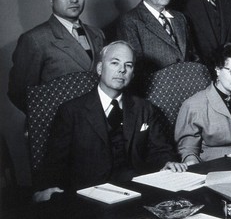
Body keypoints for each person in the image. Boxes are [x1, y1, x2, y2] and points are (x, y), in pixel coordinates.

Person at [33, 41, 186, 202]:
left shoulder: (144, 108)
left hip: (139, 192)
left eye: (128, 65)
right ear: (100, 69)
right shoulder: (71, 111)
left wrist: (167, 162)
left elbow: (160, 149)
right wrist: (44, 190)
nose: (122, 70)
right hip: (90, 196)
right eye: (115, 63)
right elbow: (55, 163)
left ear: (132, 74)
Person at [8, 0, 105, 112]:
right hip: (62, 129)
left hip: (101, 125)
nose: (74, 0)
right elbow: (19, 93)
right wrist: (49, 121)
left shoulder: (97, 34)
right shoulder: (35, 40)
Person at [116, 0, 195, 79]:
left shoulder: (180, 18)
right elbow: (136, 67)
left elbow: (192, 55)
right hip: (155, 91)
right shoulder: (130, 21)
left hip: (188, 86)